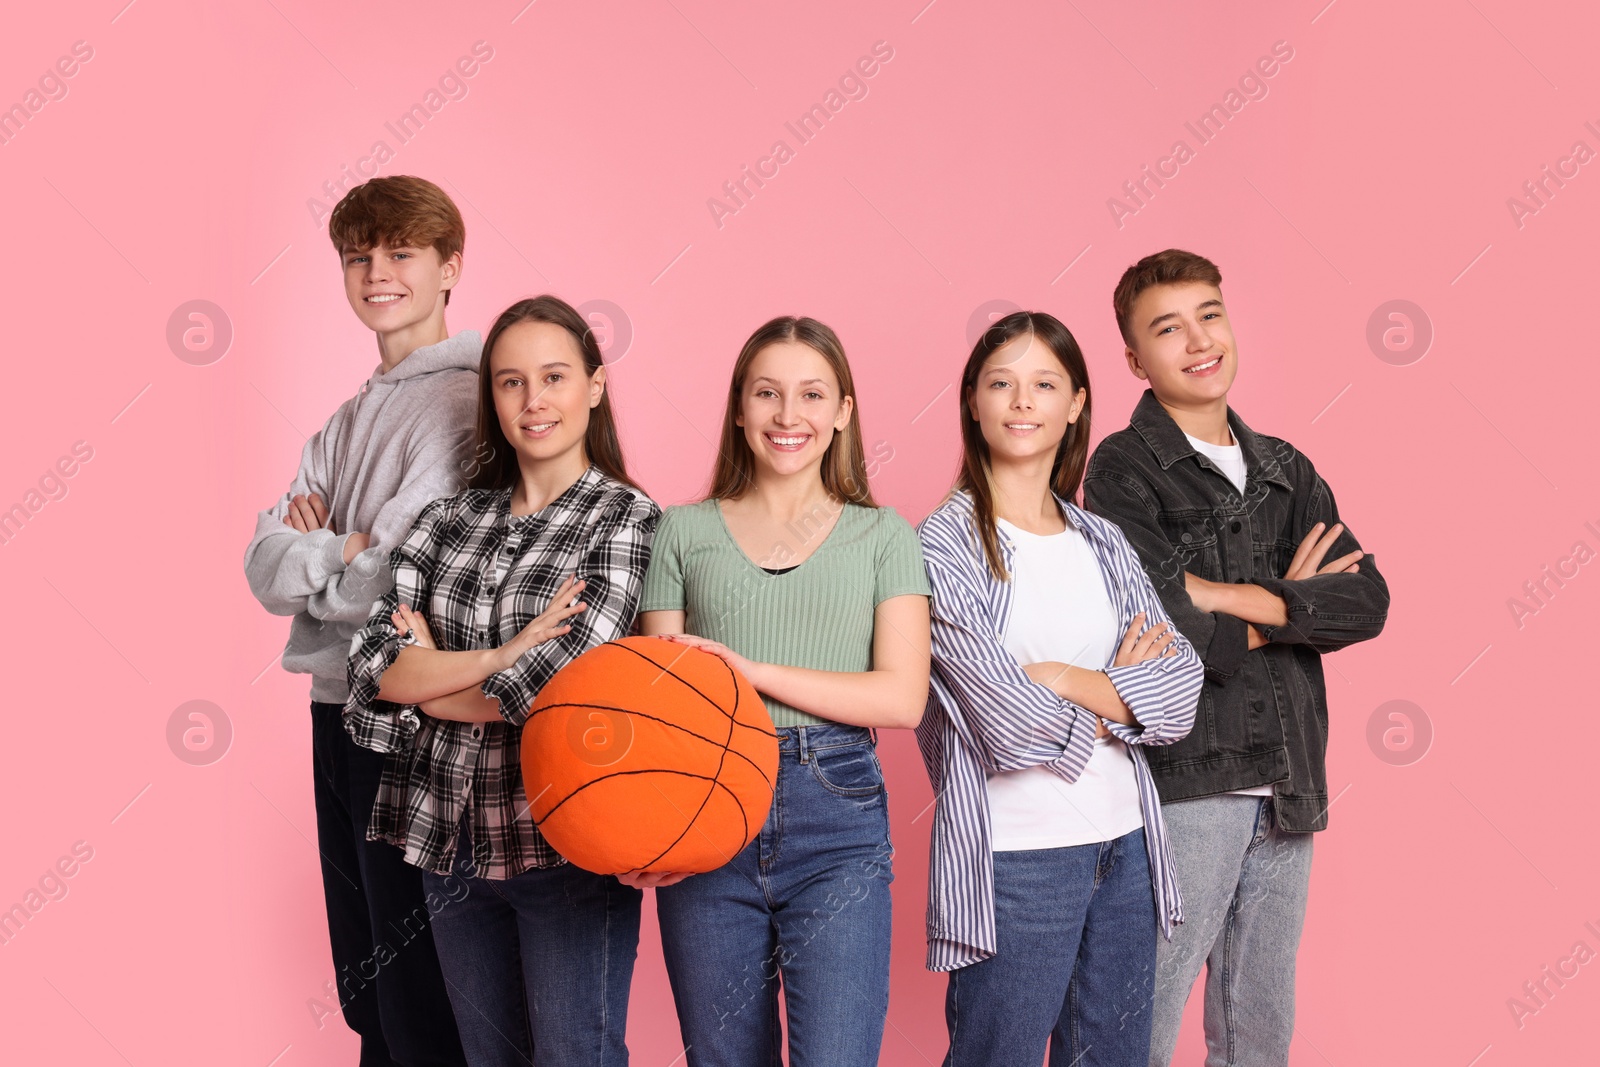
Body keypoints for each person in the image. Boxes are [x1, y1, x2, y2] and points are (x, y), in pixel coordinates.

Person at [1081, 249, 1390, 1066]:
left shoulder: (1287, 467)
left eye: (1209, 314)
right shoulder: (1122, 466)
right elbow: (1163, 622)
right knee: (1138, 1020)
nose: (1197, 340)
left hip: (1290, 780)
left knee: (1259, 1031)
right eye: (1167, 328)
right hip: (1191, 779)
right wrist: (1291, 601)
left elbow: (1366, 601)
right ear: (1133, 358)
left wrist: (1234, 594)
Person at [343, 295, 660, 1066]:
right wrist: (495, 656)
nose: (533, 400)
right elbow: (370, 669)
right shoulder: (449, 518)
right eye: (511, 381)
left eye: (554, 376)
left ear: (595, 384)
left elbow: (560, 685)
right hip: (447, 845)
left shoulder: (626, 520)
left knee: (573, 1056)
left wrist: (431, 678)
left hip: (560, 849)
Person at [632, 316, 931, 1067]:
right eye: (767, 393)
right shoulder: (681, 531)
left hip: (837, 815)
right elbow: (660, 701)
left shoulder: (884, 535)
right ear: (739, 408)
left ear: (843, 413)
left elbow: (902, 699)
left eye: (811, 394)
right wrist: (647, 826)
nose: (788, 415)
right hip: (706, 809)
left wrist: (749, 670)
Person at [916, 311, 1203, 1066]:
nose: (1021, 401)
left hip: (1127, 846)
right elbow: (1005, 726)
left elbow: (1181, 689)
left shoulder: (1102, 539)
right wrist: (1121, 696)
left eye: (1044, 384)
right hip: (1017, 857)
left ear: (1076, 402)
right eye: (1001, 383)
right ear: (972, 401)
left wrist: (1065, 679)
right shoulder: (940, 544)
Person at [243, 175, 475, 1066]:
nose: (377, 272)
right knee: (365, 985)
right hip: (330, 710)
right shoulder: (348, 417)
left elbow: (404, 577)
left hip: (405, 711)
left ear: (450, 267)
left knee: (416, 990)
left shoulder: (459, 402)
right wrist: (343, 551)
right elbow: (265, 565)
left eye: (402, 253)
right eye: (358, 255)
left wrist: (331, 556)